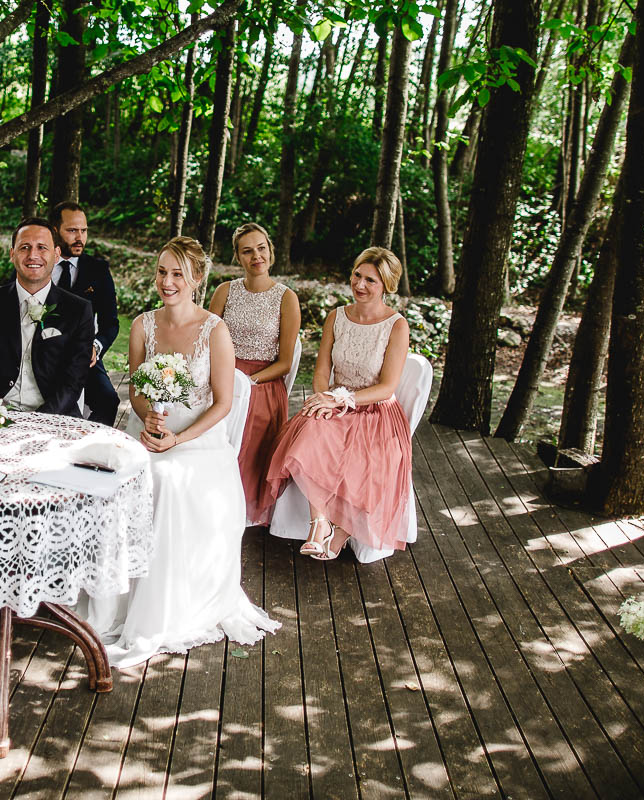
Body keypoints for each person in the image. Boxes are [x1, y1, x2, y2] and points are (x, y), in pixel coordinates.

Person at [82, 236, 279, 668]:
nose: (167, 282)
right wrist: (149, 417)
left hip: (198, 443)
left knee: (165, 482)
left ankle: (160, 609)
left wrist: (177, 439)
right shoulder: (142, 325)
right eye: (162, 272)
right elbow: (134, 390)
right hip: (147, 431)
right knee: (111, 480)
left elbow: (223, 404)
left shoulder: (215, 330)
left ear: (196, 279)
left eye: (177, 274)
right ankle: (110, 602)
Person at [260, 246, 412, 560]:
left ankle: (341, 529)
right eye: (357, 275)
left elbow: (386, 387)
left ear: (386, 286)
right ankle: (320, 523)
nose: (360, 285)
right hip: (333, 402)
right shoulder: (337, 317)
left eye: (371, 280)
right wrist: (326, 398)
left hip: (374, 410)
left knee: (358, 451)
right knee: (310, 435)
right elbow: (320, 373)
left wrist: (343, 399)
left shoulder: (396, 326)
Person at [208, 222, 301, 525]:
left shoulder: (286, 298)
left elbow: (285, 361)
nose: (256, 256)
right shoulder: (225, 291)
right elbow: (206, 339)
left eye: (261, 248)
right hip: (223, 372)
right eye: (247, 251)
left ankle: (243, 503)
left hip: (263, 379)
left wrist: (248, 382)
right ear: (238, 257)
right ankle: (207, 494)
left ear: (270, 251)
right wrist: (226, 376)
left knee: (250, 415)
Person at [0, 217, 95, 416]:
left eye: (42, 247)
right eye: (24, 247)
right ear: (12, 254)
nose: (33, 255)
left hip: (55, 415)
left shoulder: (78, 310)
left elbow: (72, 383)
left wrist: (38, 420)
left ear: (57, 254)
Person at [49, 201, 120, 426]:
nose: (80, 237)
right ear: (55, 231)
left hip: (84, 355)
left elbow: (111, 323)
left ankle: (91, 448)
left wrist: (95, 347)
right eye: (72, 231)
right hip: (44, 354)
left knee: (109, 399)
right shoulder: (39, 263)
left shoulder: (98, 270)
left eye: (83, 230)